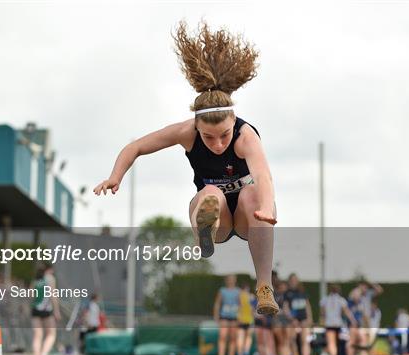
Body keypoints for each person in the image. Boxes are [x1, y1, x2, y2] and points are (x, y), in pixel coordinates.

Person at [93, 21, 279, 315]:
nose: (218, 144)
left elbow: (263, 175)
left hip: (248, 217)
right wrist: (115, 177)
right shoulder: (185, 132)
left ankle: (264, 287)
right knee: (210, 193)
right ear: (196, 126)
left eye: (224, 136)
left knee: (252, 194)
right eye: (208, 137)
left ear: (233, 123)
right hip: (218, 216)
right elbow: (135, 147)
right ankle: (206, 230)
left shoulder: (245, 137)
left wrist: (267, 207)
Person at [31, 264, 60, 355]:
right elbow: (53, 295)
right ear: (49, 270)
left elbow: (32, 295)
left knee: (37, 336)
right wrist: (56, 311)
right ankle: (43, 354)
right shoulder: (50, 278)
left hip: (35, 309)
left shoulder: (36, 280)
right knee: (51, 334)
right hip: (46, 310)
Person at [320, 284, 356, 355]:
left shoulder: (325, 300)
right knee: (338, 343)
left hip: (329, 324)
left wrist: (321, 323)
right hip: (338, 324)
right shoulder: (341, 300)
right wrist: (353, 321)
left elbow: (322, 314)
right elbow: (346, 312)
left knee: (331, 343)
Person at [284, 273, 312, 355]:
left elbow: (307, 306)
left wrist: (309, 319)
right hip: (293, 321)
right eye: (292, 280)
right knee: (292, 340)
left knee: (305, 341)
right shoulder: (287, 293)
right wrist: (292, 319)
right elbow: (286, 308)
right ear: (289, 281)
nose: (294, 282)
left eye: (295, 280)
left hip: (303, 320)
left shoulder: (302, 292)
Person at [213, 275, 240, 355]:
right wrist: (216, 316)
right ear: (226, 281)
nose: (231, 281)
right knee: (222, 336)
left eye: (232, 279)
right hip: (224, 316)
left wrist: (241, 316)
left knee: (233, 337)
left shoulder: (238, 291)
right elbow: (217, 303)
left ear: (235, 281)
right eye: (229, 280)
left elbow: (241, 305)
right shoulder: (222, 291)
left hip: (234, 317)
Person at [237, 282, 255, 355]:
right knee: (248, 337)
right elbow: (253, 309)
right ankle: (246, 352)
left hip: (241, 319)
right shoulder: (251, 296)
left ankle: (240, 354)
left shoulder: (239, 296)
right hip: (249, 319)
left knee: (241, 336)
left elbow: (237, 307)